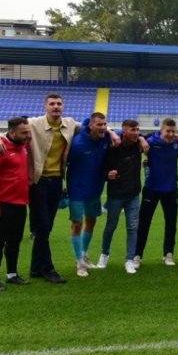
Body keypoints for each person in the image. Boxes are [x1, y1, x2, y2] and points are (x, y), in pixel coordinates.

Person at [26, 94, 82, 283]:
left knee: (46, 227)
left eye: (59, 103)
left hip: (57, 182)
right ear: (45, 106)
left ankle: (35, 268)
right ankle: (48, 269)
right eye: (52, 104)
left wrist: (113, 133)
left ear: (63, 106)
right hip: (38, 182)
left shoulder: (70, 124)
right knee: (42, 226)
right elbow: (9, 130)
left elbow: (94, 126)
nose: (56, 107)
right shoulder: (33, 124)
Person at [0, 116, 31, 291]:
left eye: (28, 131)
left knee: (15, 241)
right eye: (24, 133)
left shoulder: (23, 146)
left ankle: (12, 274)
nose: (27, 135)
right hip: (1, 204)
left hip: (19, 203)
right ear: (11, 132)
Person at [133, 118, 178, 270]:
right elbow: (131, 134)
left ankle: (168, 254)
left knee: (171, 223)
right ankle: (137, 255)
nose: (170, 134)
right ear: (161, 130)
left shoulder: (177, 144)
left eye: (173, 131)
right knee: (144, 223)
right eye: (168, 131)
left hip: (170, 189)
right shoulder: (151, 140)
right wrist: (141, 138)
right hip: (151, 188)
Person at [66, 112, 112, 277]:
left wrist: (113, 132)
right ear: (91, 125)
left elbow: (127, 133)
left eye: (104, 125)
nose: (103, 128)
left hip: (95, 190)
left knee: (91, 222)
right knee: (77, 225)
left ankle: (84, 254)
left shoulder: (106, 138)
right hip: (77, 191)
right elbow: (64, 163)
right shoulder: (77, 144)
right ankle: (79, 262)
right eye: (99, 125)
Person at [101, 119, 147, 271]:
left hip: (133, 195)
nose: (136, 133)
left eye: (137, 130)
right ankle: (104, 254)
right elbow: (103, 169)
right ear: (124, 131)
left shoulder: (137, 143)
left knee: (133, 228)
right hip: (116, 195)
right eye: (132, 130)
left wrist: (141, 138)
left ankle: (129, 260)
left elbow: (157, 134)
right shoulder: (114, 146)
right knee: (111, 226)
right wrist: (109, 174)